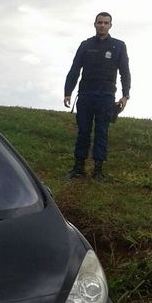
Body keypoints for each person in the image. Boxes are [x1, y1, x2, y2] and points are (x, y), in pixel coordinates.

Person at [64, 12, 131, 180]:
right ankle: (78, 168)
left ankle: (98, 170)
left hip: (106, 96)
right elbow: (74, 69)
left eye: (106, 23)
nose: (102, 25)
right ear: (95, 24)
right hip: (86, 94)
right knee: (83, 131)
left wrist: (125, 95)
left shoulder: (119, 46)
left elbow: (125, 72)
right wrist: (68, 91)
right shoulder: (85, 45)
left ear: (110, 25)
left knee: (102, 131)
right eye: (100, 22)